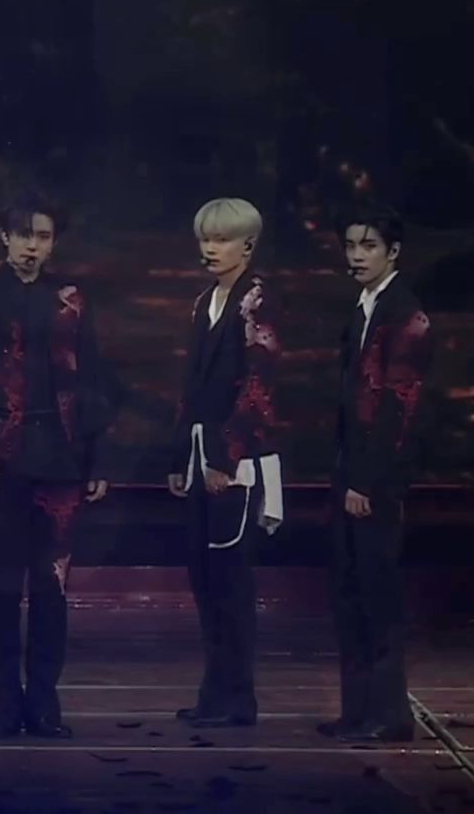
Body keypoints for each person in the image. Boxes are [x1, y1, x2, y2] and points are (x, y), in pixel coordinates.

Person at [0, 193, 114, 740]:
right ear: (5, 237)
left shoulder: (70, 297)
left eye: (43, 236)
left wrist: (96, 458)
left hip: (62, 461)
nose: (33, 245)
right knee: (3, 586)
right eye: (24, 235)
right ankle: (5, 700)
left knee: (51, 587)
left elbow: (91, 377)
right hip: (2, 461)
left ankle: (45, 699)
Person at [168, 198, 286, 729]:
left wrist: (225, 456)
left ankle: (237, 698)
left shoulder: (257, 301)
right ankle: (215, 694)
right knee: (206, 579)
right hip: (199, 456)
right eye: (206, 240)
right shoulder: (205, 302)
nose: (211, 249)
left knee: (230, 580)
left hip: (235, 462)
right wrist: (181, 456)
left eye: (222, 239)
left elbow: (259, 388)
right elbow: (191, 387)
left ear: (248, 245)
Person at [321, 204, 433, 743]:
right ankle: (358, 709)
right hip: (351, 471)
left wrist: (366, 481)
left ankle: (388, 714)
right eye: (351, 246)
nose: (357, 255)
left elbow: (399, 408)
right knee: (350, 593)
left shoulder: (403, 313)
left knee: (377, 595)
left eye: (368, 246)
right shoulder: (364, 308)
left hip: (376, 480)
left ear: (393, 252)